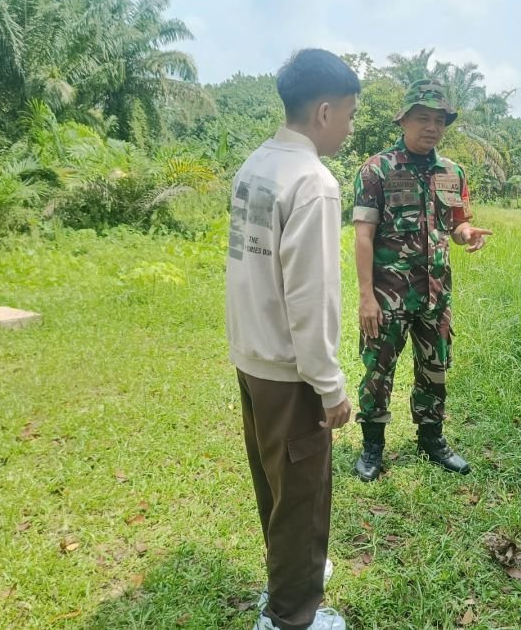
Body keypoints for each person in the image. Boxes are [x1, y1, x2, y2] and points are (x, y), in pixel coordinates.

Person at [226, 48, 358, 630]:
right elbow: (310, 297)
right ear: (324, 111)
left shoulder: (257, 164)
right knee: (303, 493)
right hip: (290, 371)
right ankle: (290, 616)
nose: (351, 128)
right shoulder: (314, 182)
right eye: (350, 115)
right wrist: (330, 387)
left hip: (251, 357)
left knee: (277, 484)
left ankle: (292, 575)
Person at [351, 79, 493, 482]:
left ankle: (432, 440)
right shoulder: (377, 169)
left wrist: (467, 235)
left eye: (439, 120)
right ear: (404, 120)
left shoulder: (452, 172)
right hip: (387, 297)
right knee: (377, 371)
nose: (432, 127)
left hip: (435, 296)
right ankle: (372, 446)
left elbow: (457, 224)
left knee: (435, 370)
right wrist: (366, 297)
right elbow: (362, 235)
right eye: (423, 118)